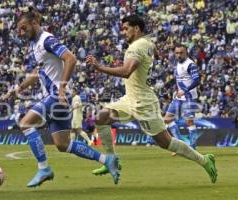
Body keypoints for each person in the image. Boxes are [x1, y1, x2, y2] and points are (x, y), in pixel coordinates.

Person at [85, 15, 217, 183]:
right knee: (101, 117)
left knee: (165, 142)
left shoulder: (138, 46)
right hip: (130, 98)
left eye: (126, 28)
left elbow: (126, 71)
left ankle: (204, 160)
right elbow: (150, 54)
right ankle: (112, 159)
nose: (123, 31)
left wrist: (99, 67)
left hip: (144, 103)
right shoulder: (146, 43)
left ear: (137, 28)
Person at [4, 9, 120, 187]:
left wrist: (61, 88)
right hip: (57, 97)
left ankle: (43, 168)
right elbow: (38, 72)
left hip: (57, 96)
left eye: (23, 28)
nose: (20, 32)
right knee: (63, 144)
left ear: (34, 23)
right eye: (18, 29)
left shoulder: (47, 40)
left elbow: (71, 59)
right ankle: (107, 160)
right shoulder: (36, 45)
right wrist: (19, 88)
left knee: (25, 123)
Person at [164, 44, 200, 154]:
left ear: (186, 52)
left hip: (189, 97)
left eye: (181, 52)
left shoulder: (190, 64)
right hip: (179, 97)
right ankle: (180, 146)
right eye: (177, 53)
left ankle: (192, 148)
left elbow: (196, 80)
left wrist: (185, 90)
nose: (179, 55)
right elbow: (179, 80)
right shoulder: (177, 64)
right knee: (167, 119)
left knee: (189, 122)